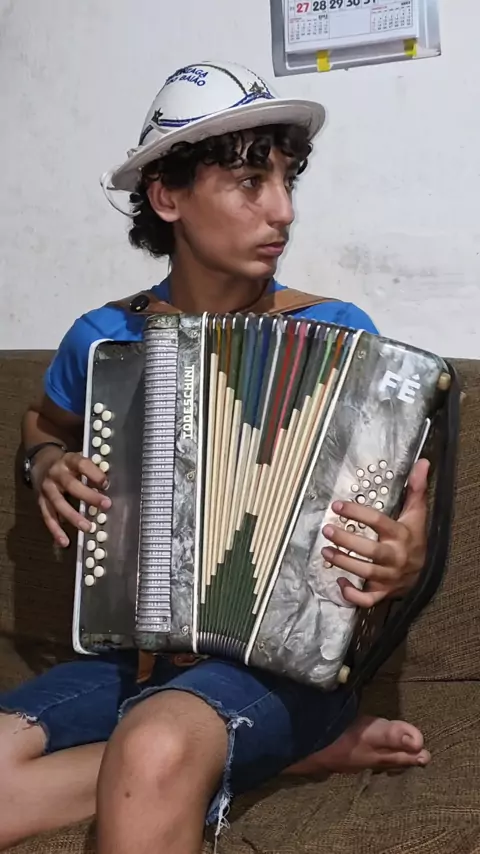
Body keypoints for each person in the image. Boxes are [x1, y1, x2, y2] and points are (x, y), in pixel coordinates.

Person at [0, 61, 431, 854]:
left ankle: (223, 749)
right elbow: (41, 423)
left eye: (288, 179)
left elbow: (398, 521)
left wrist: (402, 560)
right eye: (250, 182)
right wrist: (47, 461)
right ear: (168, 197)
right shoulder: (104, 340)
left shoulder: (340, 334)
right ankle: (254, 759)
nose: (284, 210)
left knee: (155, 748)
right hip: (133, 659)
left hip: (286, 668)